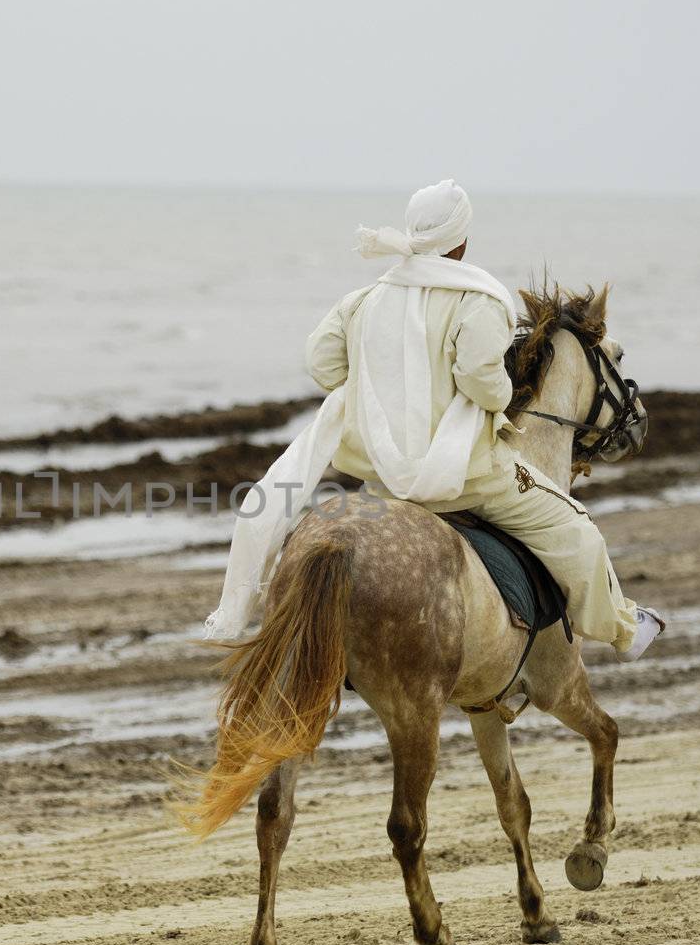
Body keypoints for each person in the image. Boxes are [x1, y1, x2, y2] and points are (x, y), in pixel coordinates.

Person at [207, 180, 663, 662]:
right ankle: (623, 631)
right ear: (461, 242)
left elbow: (322, 366)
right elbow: (482, 381)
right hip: (469, 478)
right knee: (576, 531)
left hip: (382, 482)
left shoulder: (361, 301)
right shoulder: (478, 300)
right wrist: (499, 394)